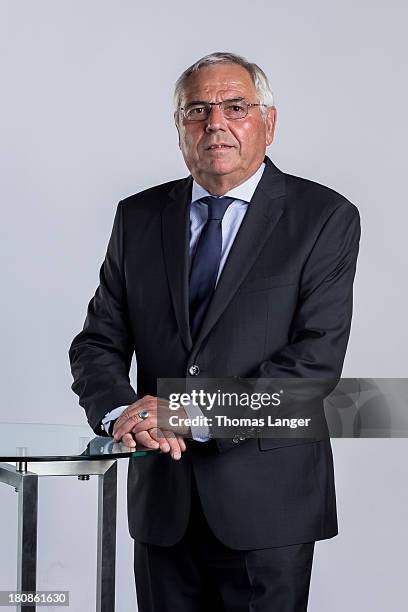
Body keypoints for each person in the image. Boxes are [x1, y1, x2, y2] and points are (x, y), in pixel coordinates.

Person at [69, 52, 360, 612]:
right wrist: (120, 415)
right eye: (196, 111)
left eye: (235, 107)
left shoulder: (323, 216)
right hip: (162, 499)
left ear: (268, 123)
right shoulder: (138, 216)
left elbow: (312, 365)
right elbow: (98, 342)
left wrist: (180, 411)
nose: (215, 124)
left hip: (267, 504)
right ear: (179, 127)